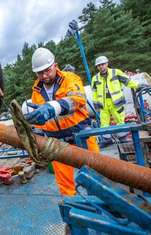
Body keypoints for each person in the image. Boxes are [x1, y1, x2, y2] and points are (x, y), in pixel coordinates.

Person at [25, 47, 99, 196]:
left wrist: (54, 107)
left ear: (55, 65)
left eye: (47, 70)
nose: (44, 75)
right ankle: (75, 212)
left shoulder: (70, 78)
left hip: (81, 135)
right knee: (65, 186)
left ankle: (105, 209)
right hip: (57, 142)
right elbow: (42, 119)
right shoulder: (36, 91)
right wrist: (36, 122)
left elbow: (78, 99)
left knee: (97, 177)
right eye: (40, 72)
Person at [91, 56, 140, 142]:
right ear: (97, 67)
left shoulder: (116, 72)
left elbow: (127, 81)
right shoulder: (95, 78)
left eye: (102, 64)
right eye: (99, 65)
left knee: (120, 120)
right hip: (103, 104)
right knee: (104, 123)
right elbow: (94, 93)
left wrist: (137, 86)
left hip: (116, 102)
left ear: (107, 64)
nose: (101, 67)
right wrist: (96, 105)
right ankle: (107, 140)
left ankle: (123, 138)